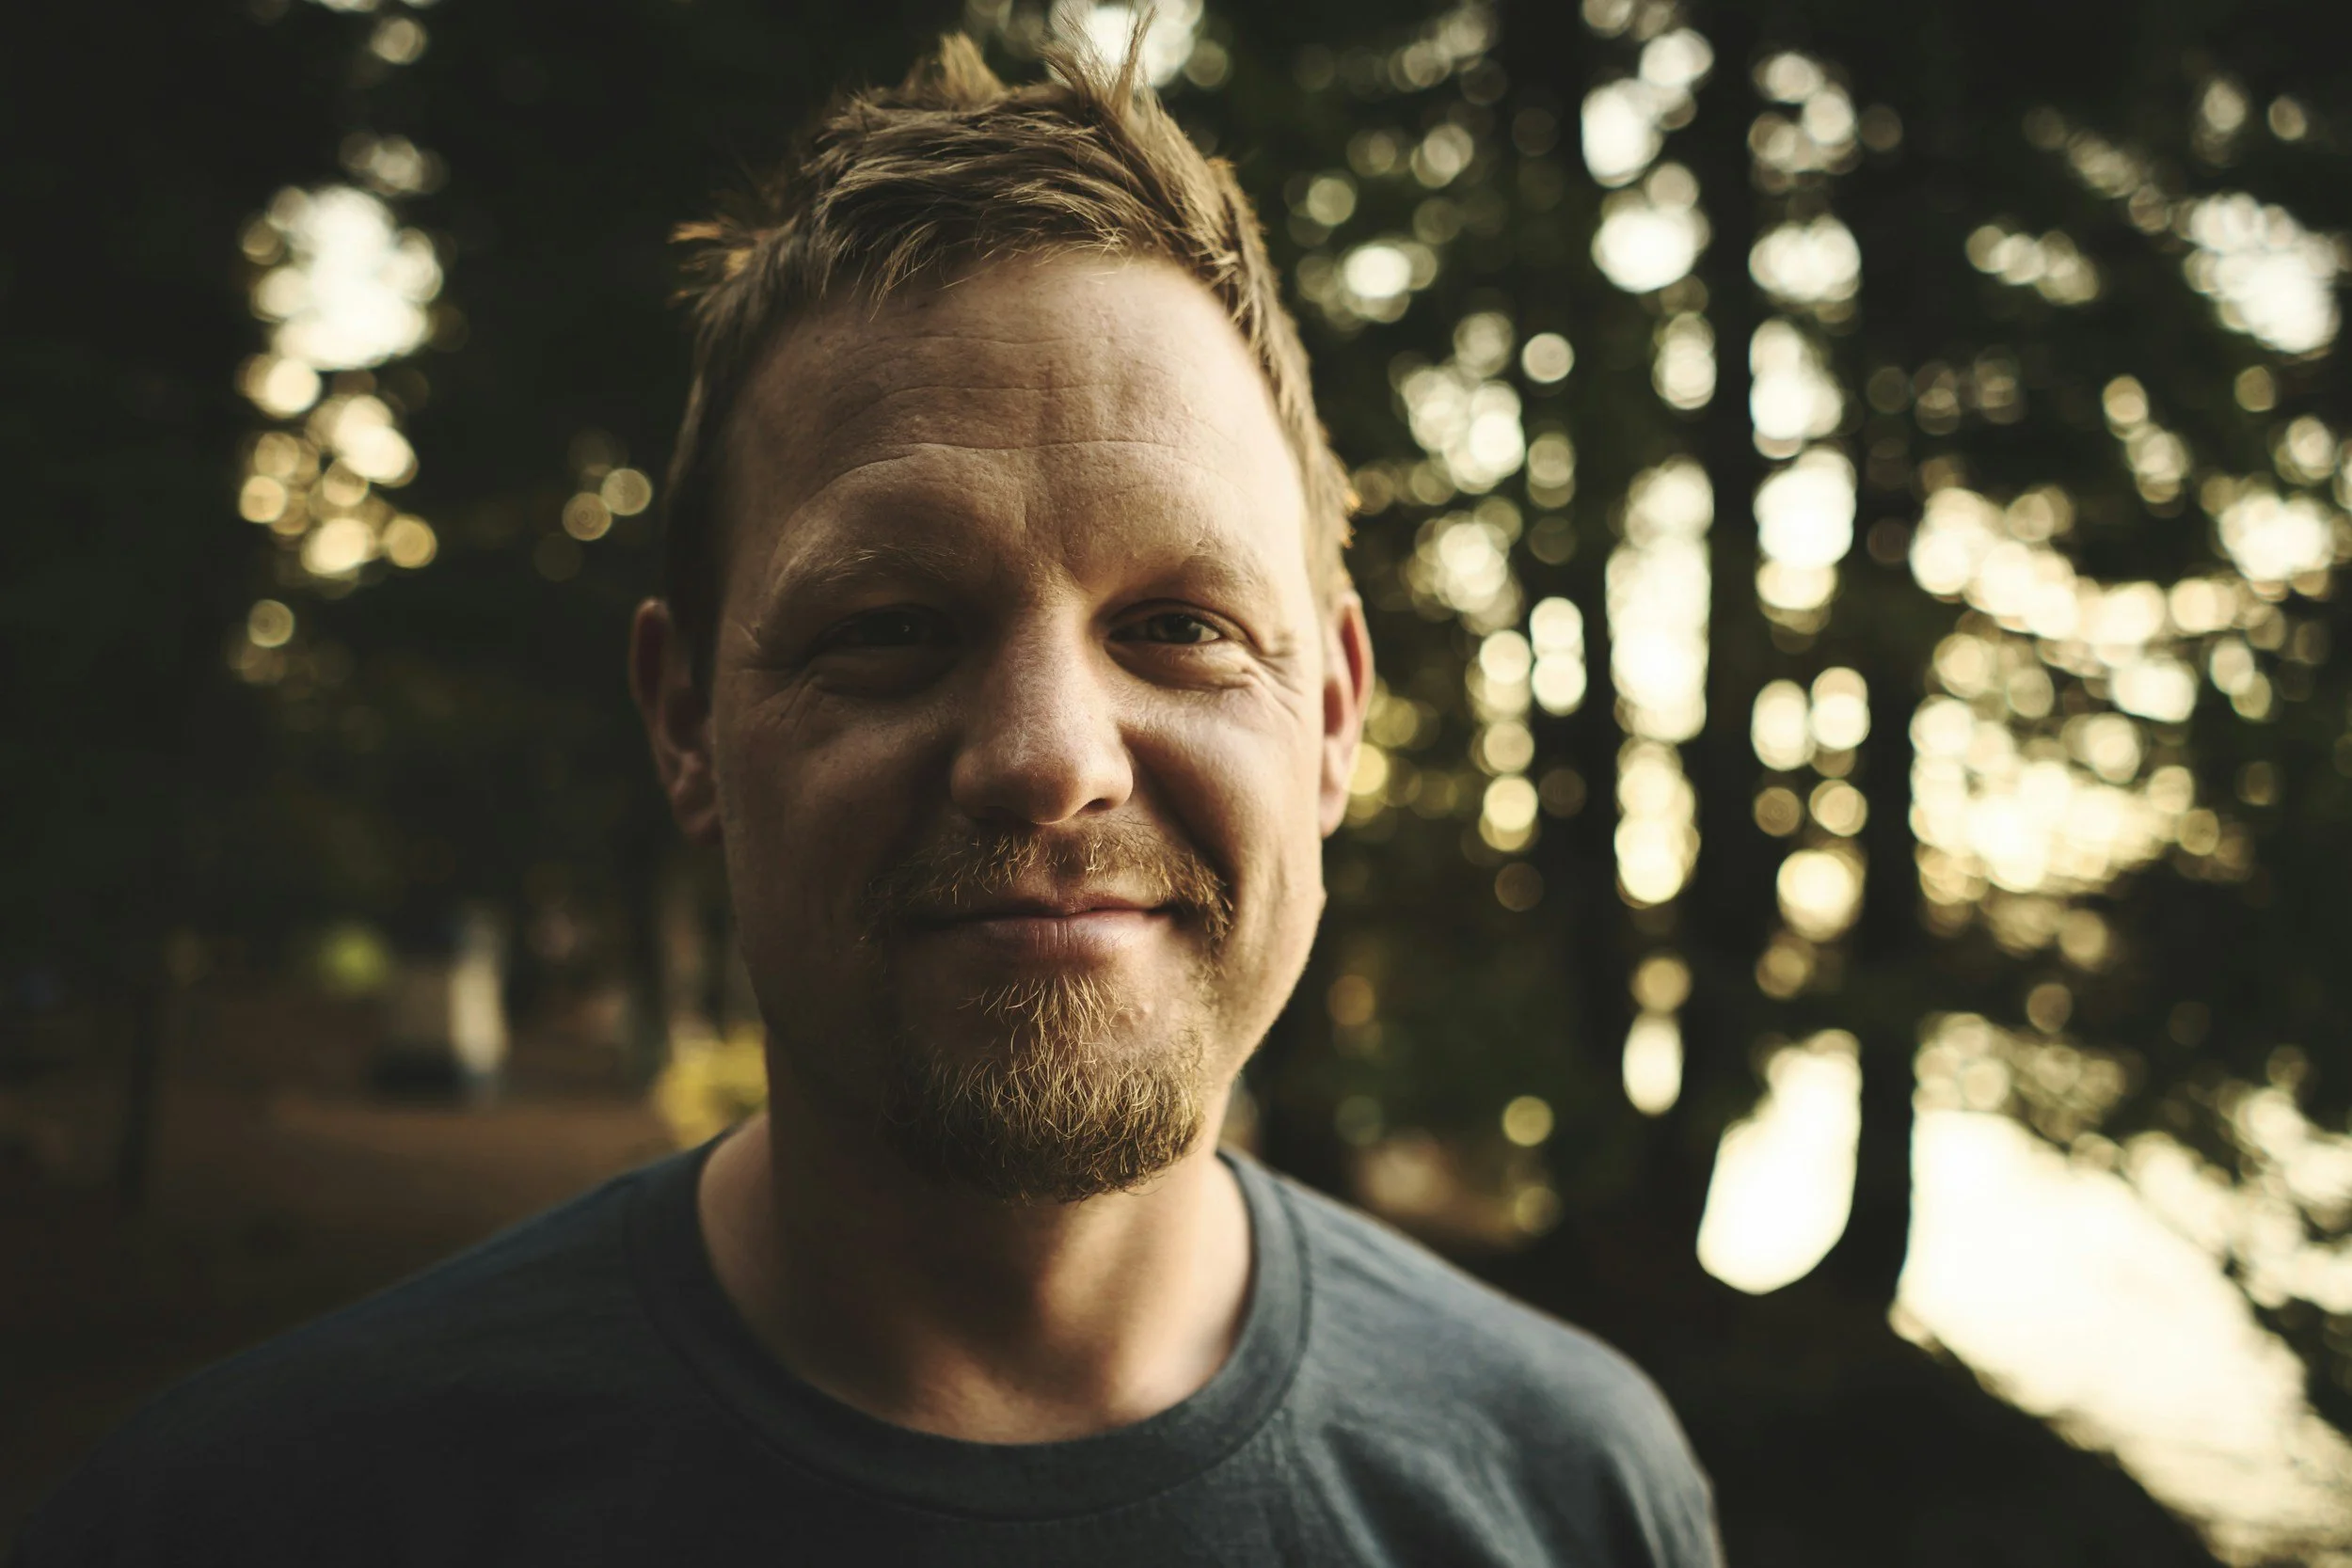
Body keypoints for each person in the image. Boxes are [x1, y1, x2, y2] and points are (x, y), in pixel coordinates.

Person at [17, 35, 1720, 1567]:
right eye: (892, 627)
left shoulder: (1574, 1489)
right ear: (688, 722)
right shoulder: (246, 1517)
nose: (1052, 755)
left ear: (1335, 715)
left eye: (1181, 627)